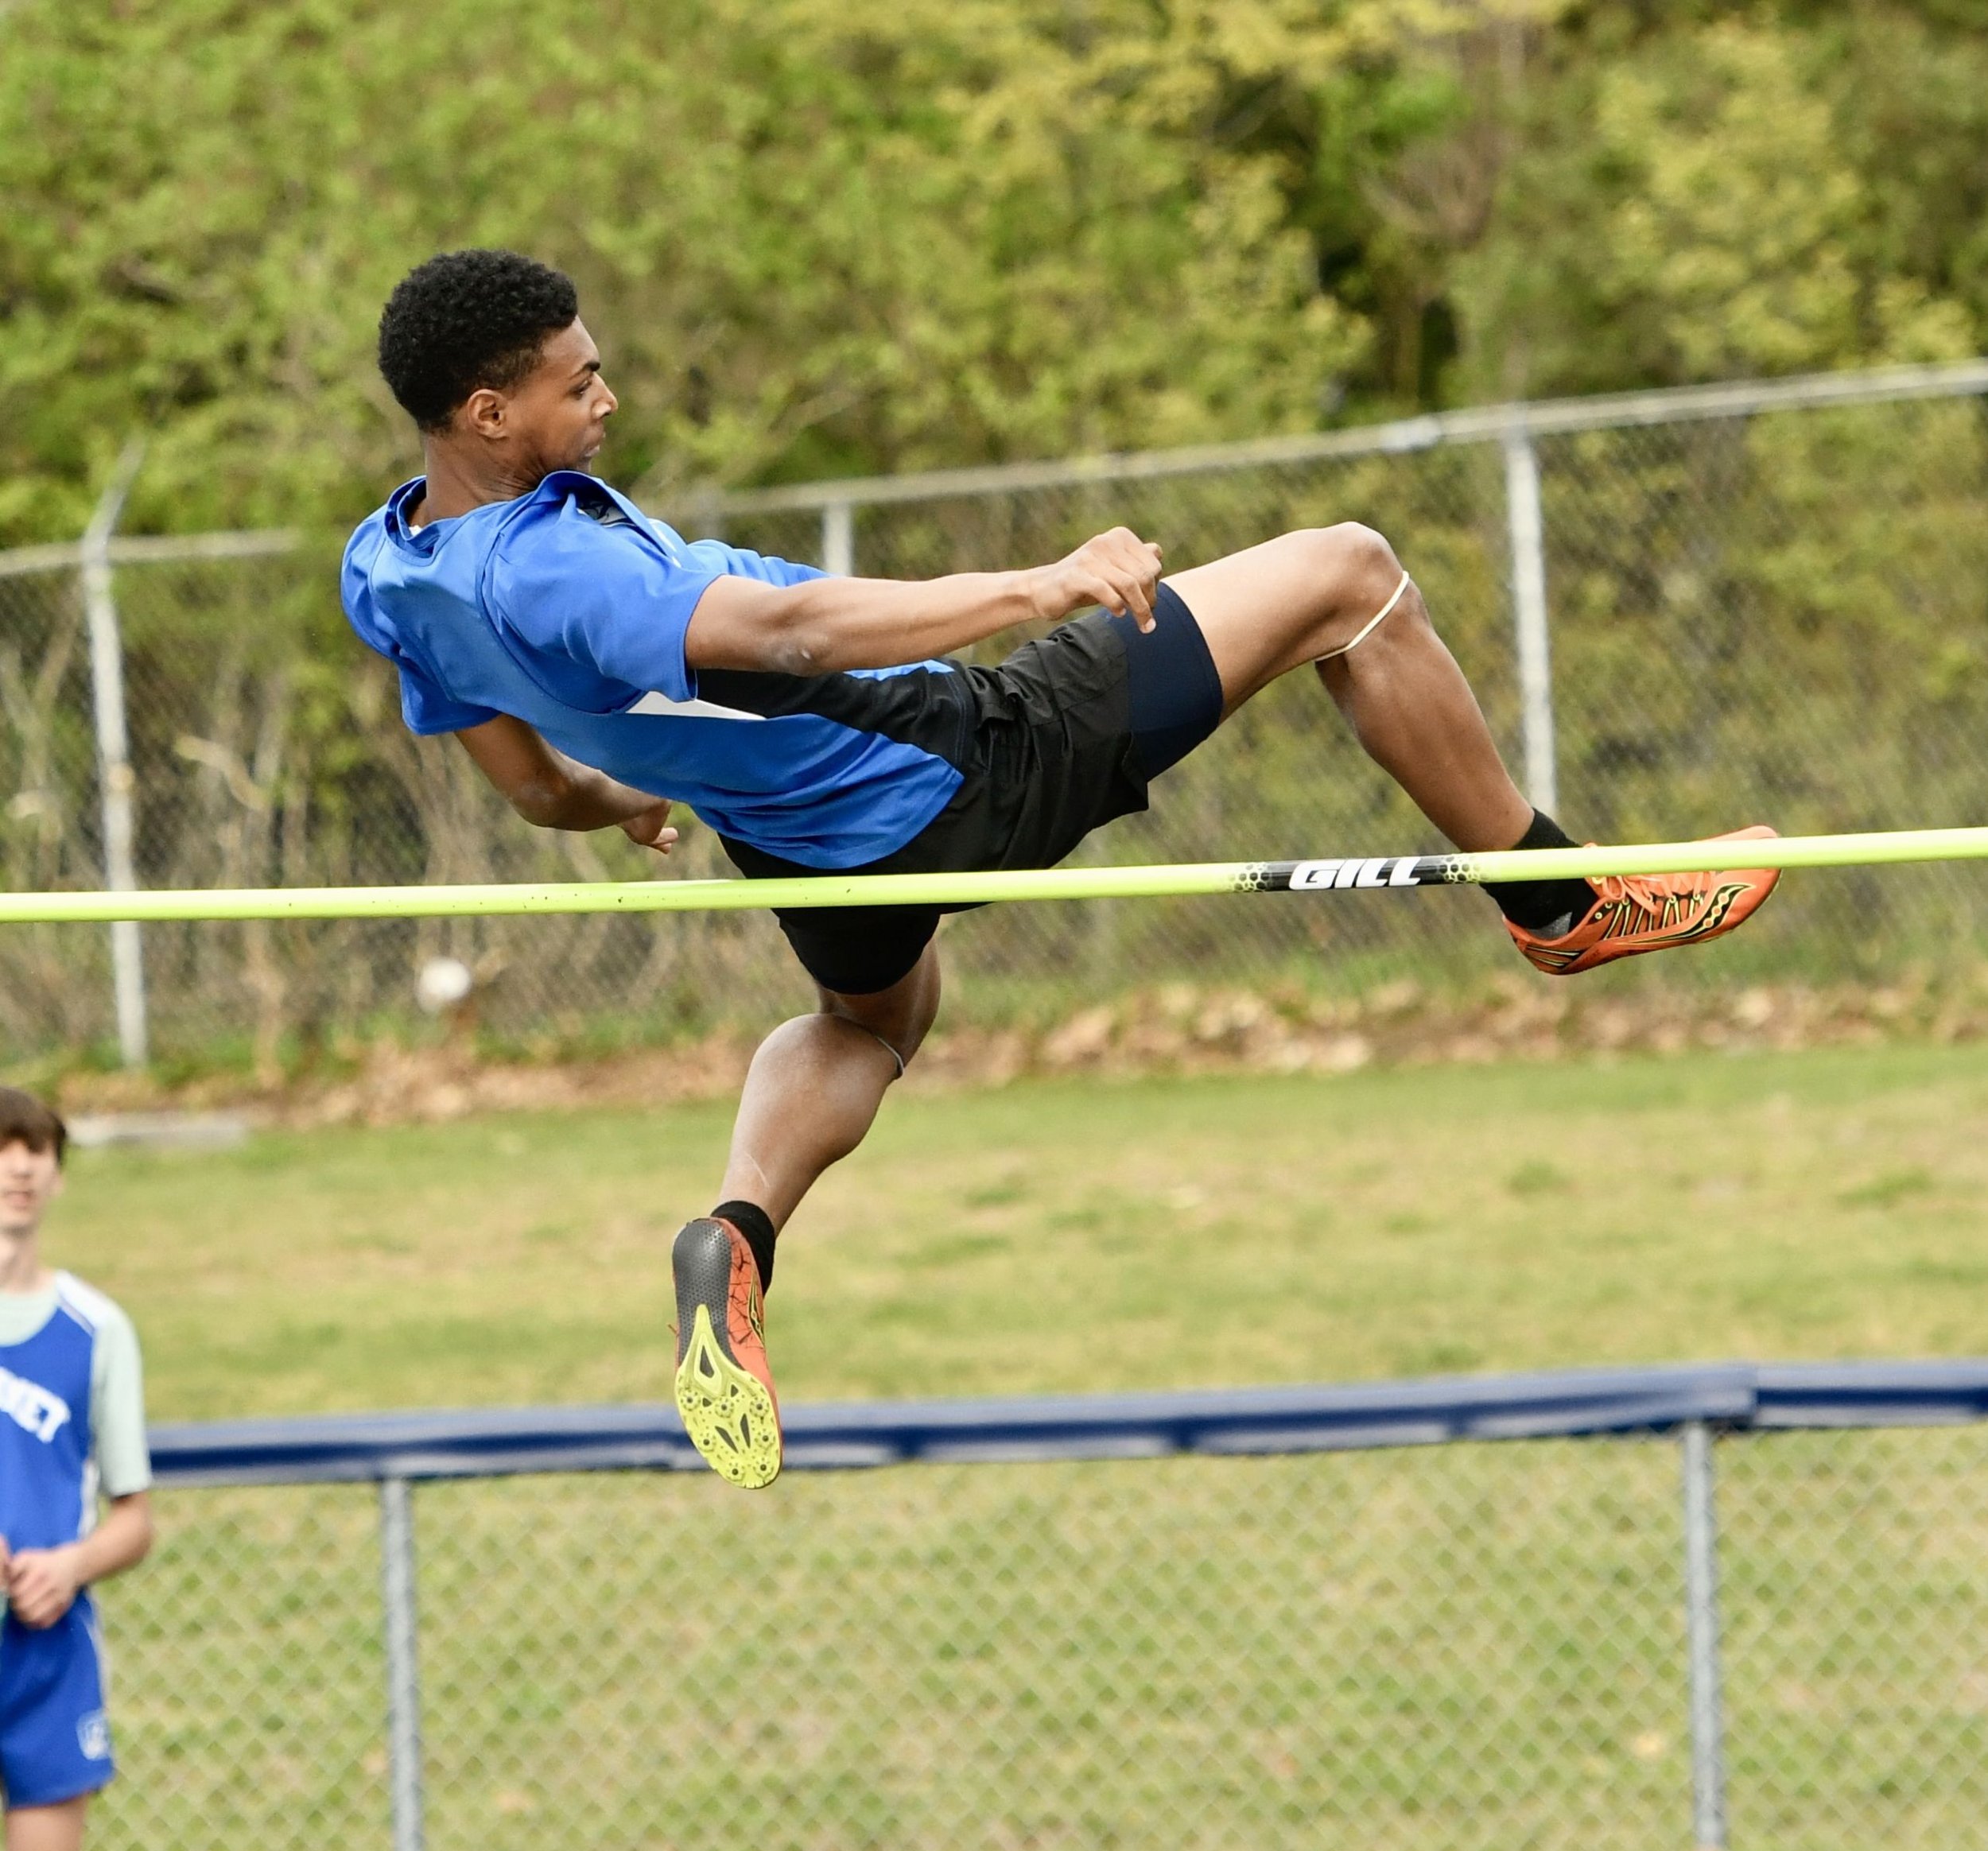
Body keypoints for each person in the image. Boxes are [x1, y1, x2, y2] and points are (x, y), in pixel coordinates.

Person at [342, 248, 1780, 1491]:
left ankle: (739, 1227)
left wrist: (617, 795)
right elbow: (787, 633)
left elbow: (528, 785)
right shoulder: (555, 562)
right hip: (952, 758)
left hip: (806, 840)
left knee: (870, 1023)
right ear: (488, 411)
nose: (608, 400)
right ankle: (1559, 896)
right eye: (579, 383)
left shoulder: (392, 571)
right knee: (1352, 573)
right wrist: (1044, 584)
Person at [0, 1090, 153, 1851]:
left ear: (57, 1176)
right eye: (4, 1148)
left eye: (38, 1151)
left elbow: (134, 1518)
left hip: (47, 1657)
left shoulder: (95, 1329)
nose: (19, 1167)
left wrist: (71, 1563)